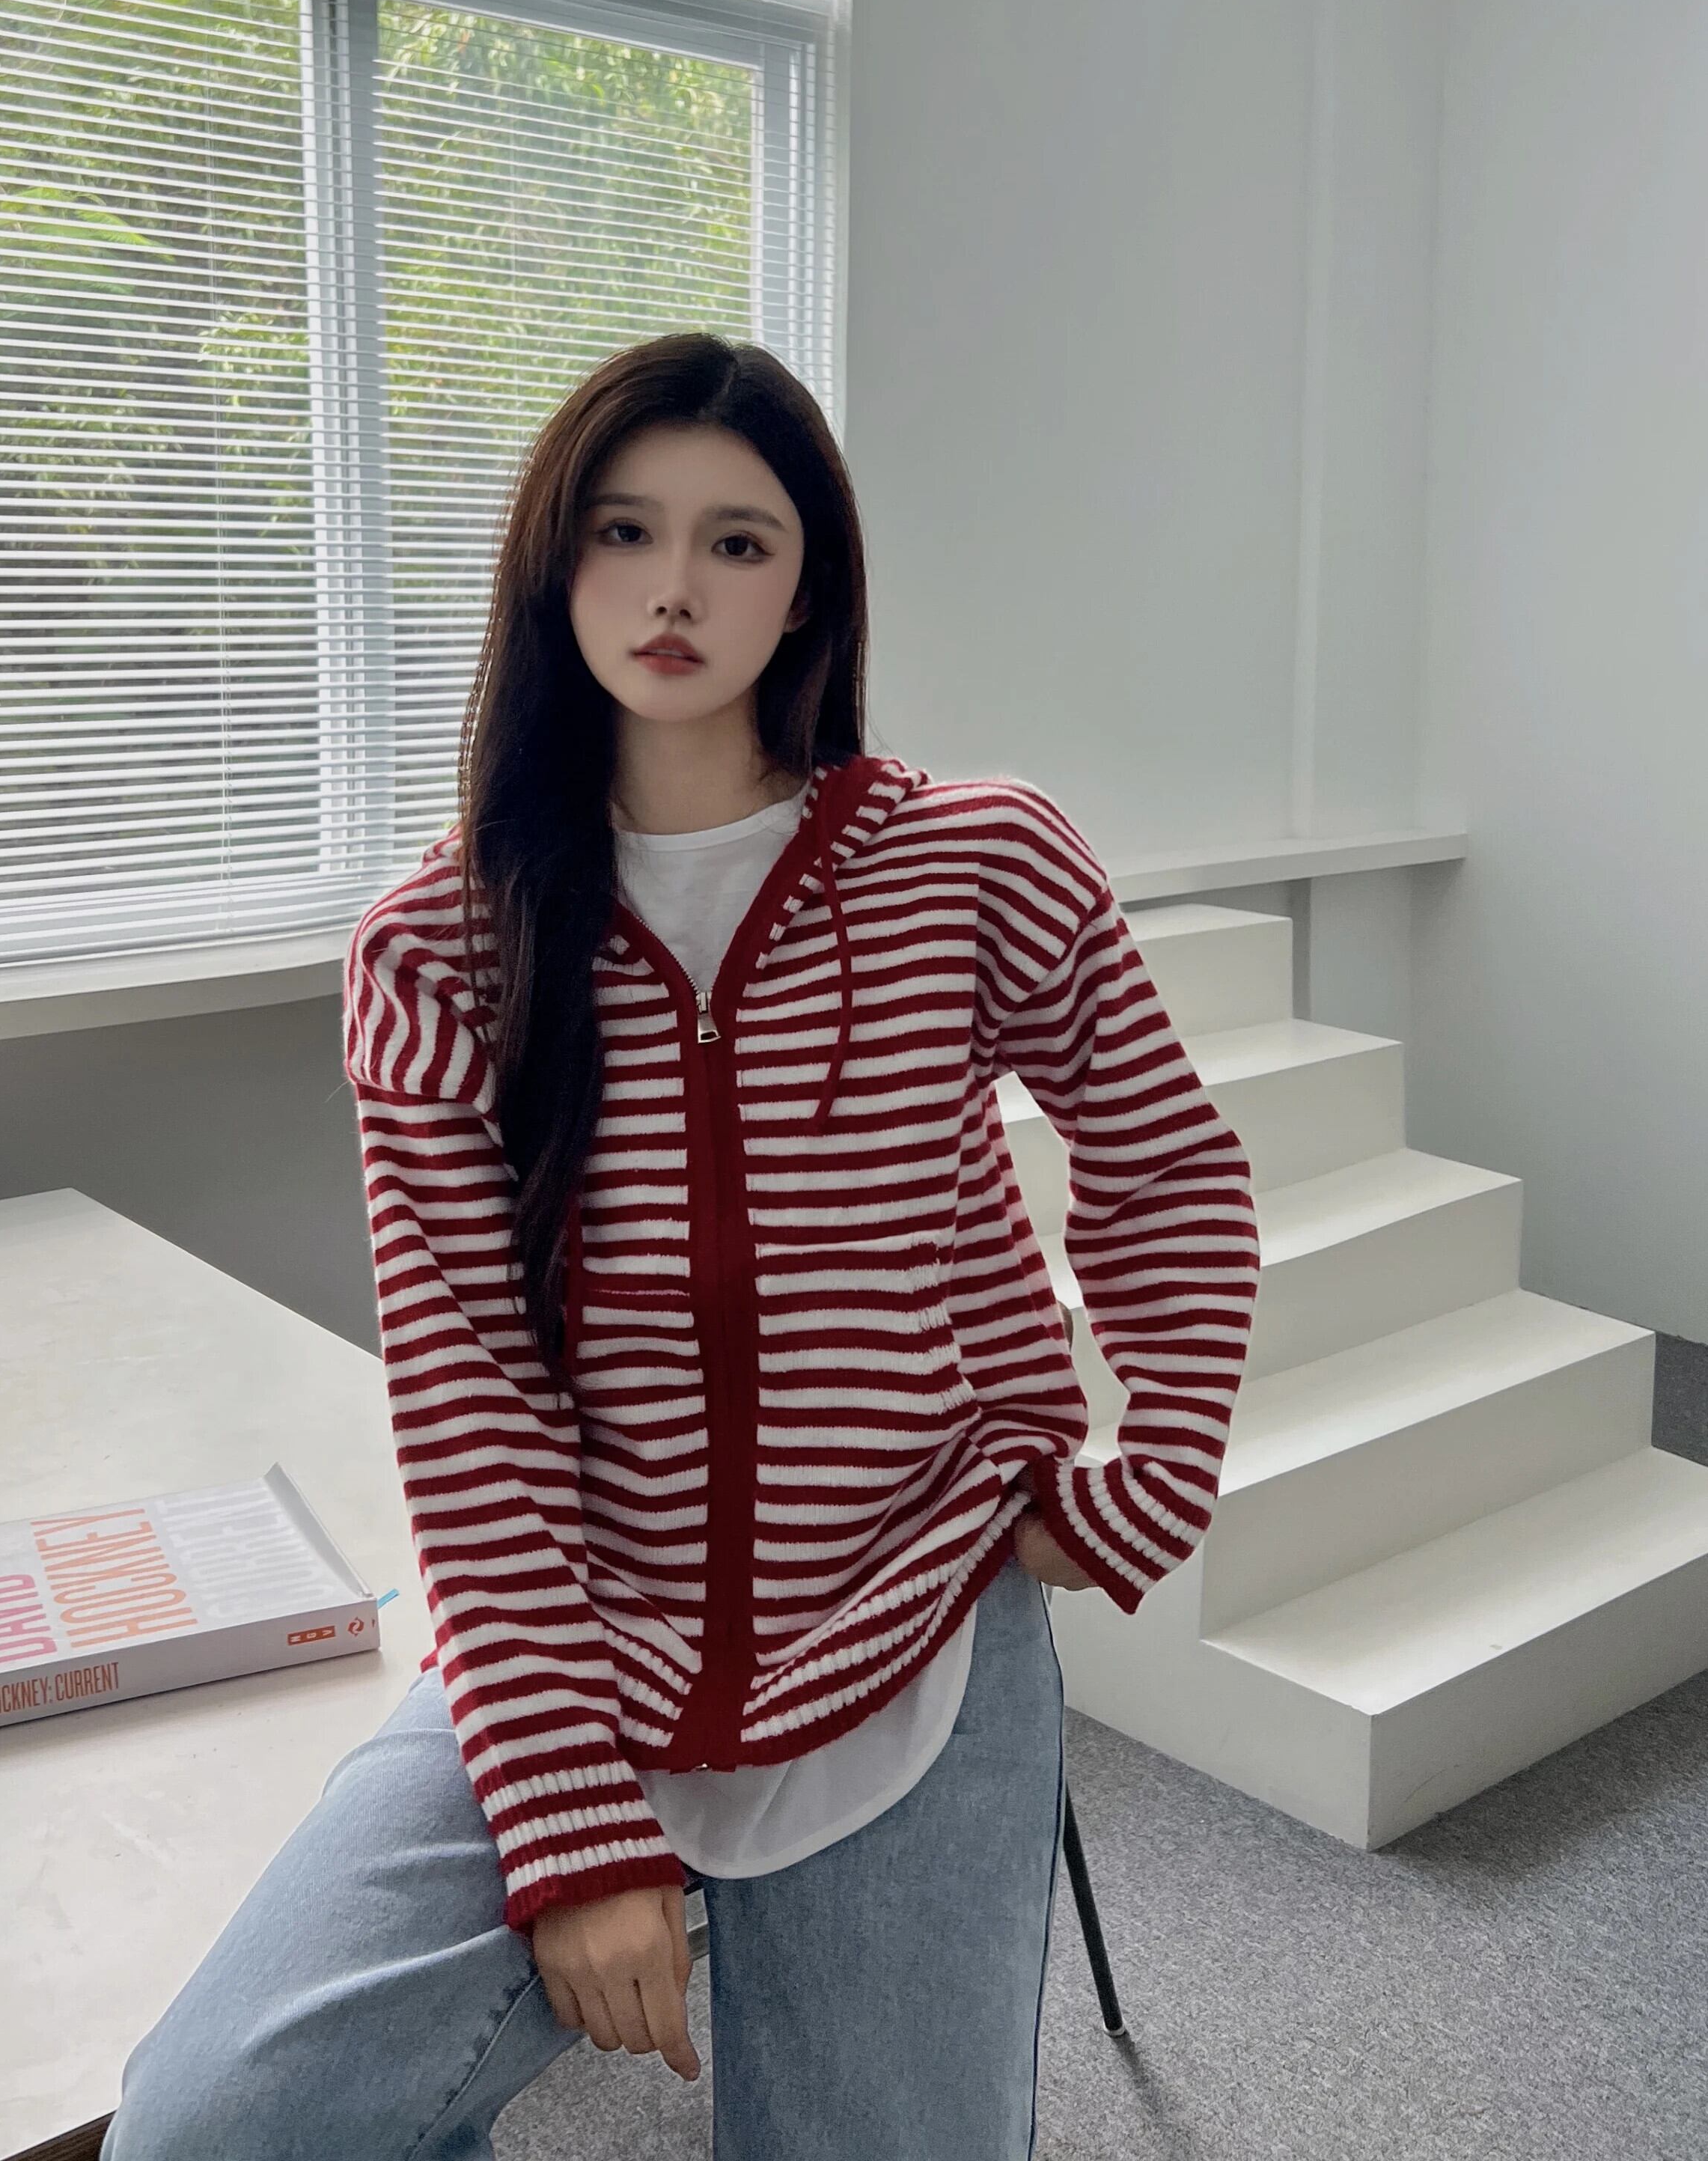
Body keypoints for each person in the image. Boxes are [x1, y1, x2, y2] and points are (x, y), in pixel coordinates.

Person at [100, 332, 1261, 2161]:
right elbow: (471, 1390)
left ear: (808, 589)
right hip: (583, 1637)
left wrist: (1153, 1474)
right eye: (625, 531)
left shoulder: (978, 863)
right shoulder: (442, 944)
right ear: (555, 565)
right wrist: (569, 1821)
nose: (673, 588)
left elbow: (1167, 1166)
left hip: (915, 1622)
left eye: (738, 541)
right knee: (222, 2119)